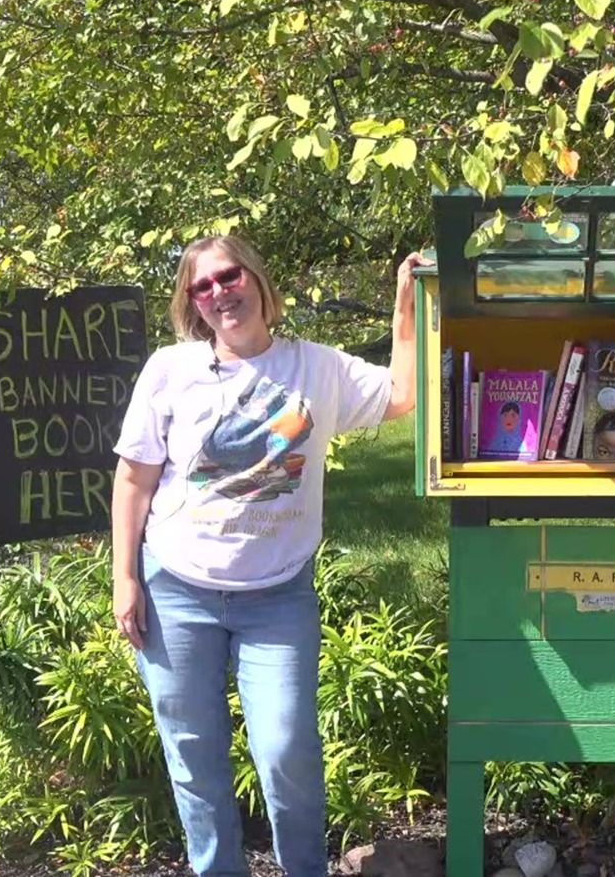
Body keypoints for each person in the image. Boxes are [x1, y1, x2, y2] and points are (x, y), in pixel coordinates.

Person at [110, 235, 425, 877]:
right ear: (192, 302)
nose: (220, 293)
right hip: (176, 590)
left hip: (278, 598)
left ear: (256, 279)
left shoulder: (316, 368)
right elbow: (133, 479)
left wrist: (404, 307)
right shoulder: (170, 371)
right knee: (193, 754)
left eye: (229, 277)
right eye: (203, 286)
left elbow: (401, 395)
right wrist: (125, 579)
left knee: (286, 749)